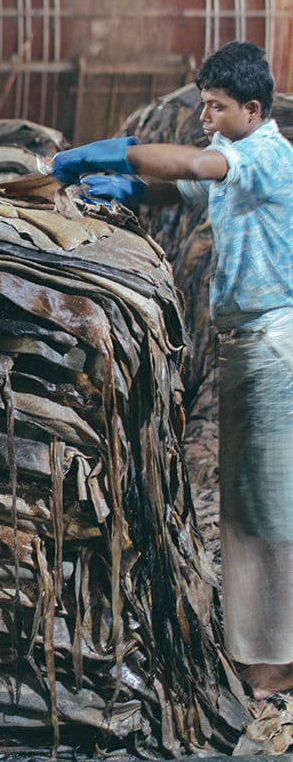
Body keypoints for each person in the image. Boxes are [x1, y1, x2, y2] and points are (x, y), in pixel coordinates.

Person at [50, 40, 293, 701]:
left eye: (217, 107)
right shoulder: (234, 158)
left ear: (253, 109)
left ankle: (279, 659)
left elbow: (193, 163)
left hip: (276, 344)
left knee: (272, 504)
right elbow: (184, 186)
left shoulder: (266, 156)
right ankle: (257, 644)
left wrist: (118, 152)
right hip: (246, 341)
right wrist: (129, 189)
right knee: (246, 501)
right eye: (203, 106)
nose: (206, 118)